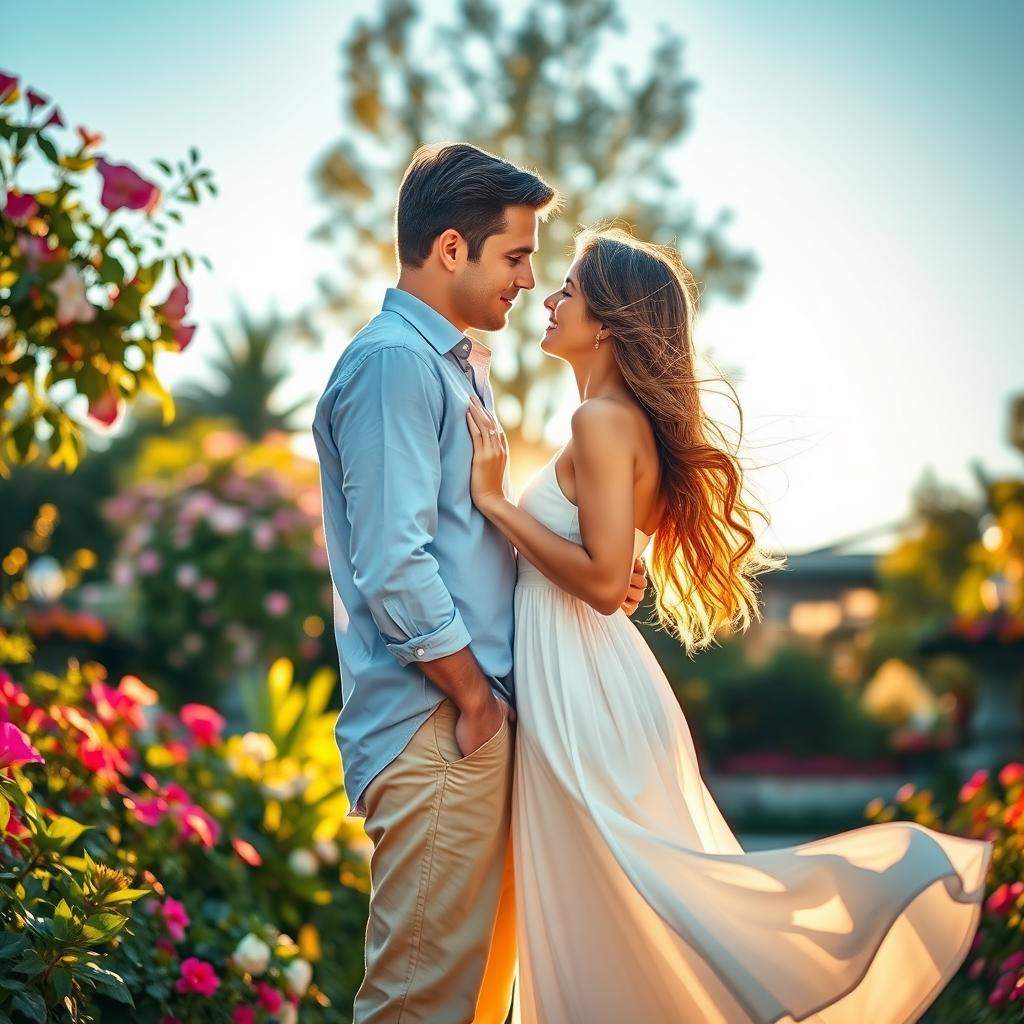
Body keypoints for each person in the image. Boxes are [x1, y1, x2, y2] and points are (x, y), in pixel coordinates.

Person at [465, 225, 994, 1024]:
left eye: (568, 288)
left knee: (621, 890)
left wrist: (497, 502)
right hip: (587, 672)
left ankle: (878, 894)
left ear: (606, 320)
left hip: (584, 683)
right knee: (613, 904)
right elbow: (611, 568)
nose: (549, 296)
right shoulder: (612, 420)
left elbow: (606, 581)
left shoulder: (602, 422)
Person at [312, 144, 646, 1024]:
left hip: (470, 724)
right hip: (442, 725)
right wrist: (473, 699)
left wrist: (590, 553)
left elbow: (468, 538)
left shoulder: (449, 366)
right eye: (516, 255)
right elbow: (395, 562)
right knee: (419, 1006)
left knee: (469, 1007)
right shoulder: (395, 364)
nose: (531, 281)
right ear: (452, 249)